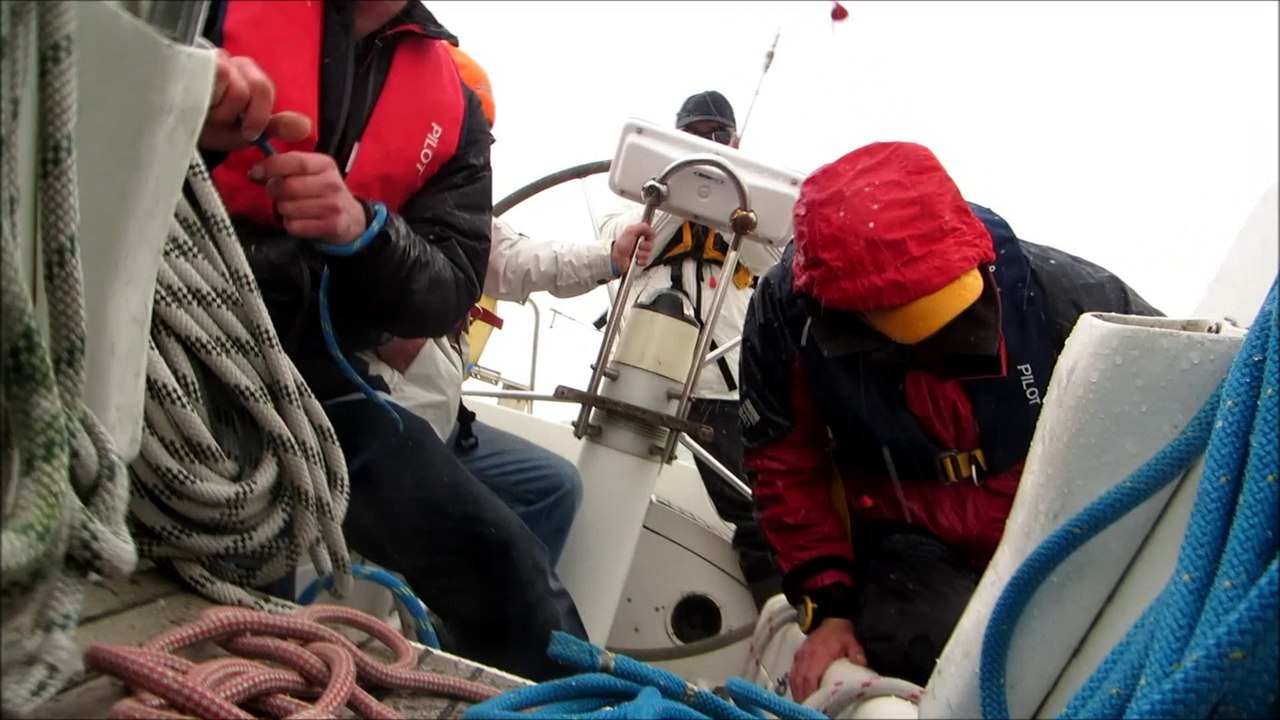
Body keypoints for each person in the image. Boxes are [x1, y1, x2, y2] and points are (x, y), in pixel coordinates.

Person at [197, 0, 585, 680]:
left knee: (510, 569)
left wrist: (362, 230)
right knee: (247, 617)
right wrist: (182, 98)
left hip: (310, 383)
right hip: (161, 313)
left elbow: (451, 284)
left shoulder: (455, 113)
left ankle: (578, 695)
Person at [738, 141, 1162, 699]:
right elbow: (784, 466)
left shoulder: (1075, 299)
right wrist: (829, 608)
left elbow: (1191, 414)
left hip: (1053, 535)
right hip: (905, 545)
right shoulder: (787, 320)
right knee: (956, 657)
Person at [367, 46, 655, 567]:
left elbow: (518, 260)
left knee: (554, 487)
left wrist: (609, 258)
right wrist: (381, 335)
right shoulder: (361, 183)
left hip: (442, 420)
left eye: (476, 135)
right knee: (414, 517)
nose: (468, 145)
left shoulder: (458, 208)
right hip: (379, 417)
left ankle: (494, 618)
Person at [598, 90, 781, 604]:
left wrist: (732, 199)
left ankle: (779, 619)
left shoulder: (755, 216)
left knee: (754, 510)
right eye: (692, 137)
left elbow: (775, 265)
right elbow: (623, 245)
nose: (705, 147)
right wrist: (686, 190)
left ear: (735, 143)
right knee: (609, 487)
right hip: (640, 375)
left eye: (715, 137)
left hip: (719, 389)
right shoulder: (642, 203)